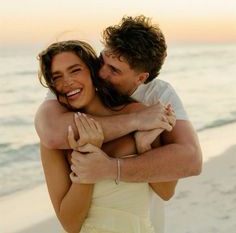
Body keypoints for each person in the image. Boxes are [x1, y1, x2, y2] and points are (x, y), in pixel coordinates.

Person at [35, 15, 202, 232]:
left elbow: (189, 162)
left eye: (114, 70)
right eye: (102, 61)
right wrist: (134, 123)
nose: (102, 73)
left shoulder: (155, 98)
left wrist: (126, 157)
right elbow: (52, 135)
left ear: (141, 78)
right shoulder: (68, 94)